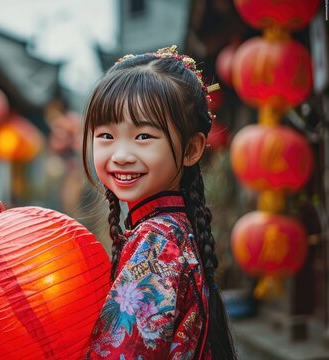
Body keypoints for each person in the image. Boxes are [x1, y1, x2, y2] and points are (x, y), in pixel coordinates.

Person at [81, 46, 237, 359]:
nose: (121, 155)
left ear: (192, 148)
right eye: (106, 136)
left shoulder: (157, 239)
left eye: (143, 137)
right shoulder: (174, 229)